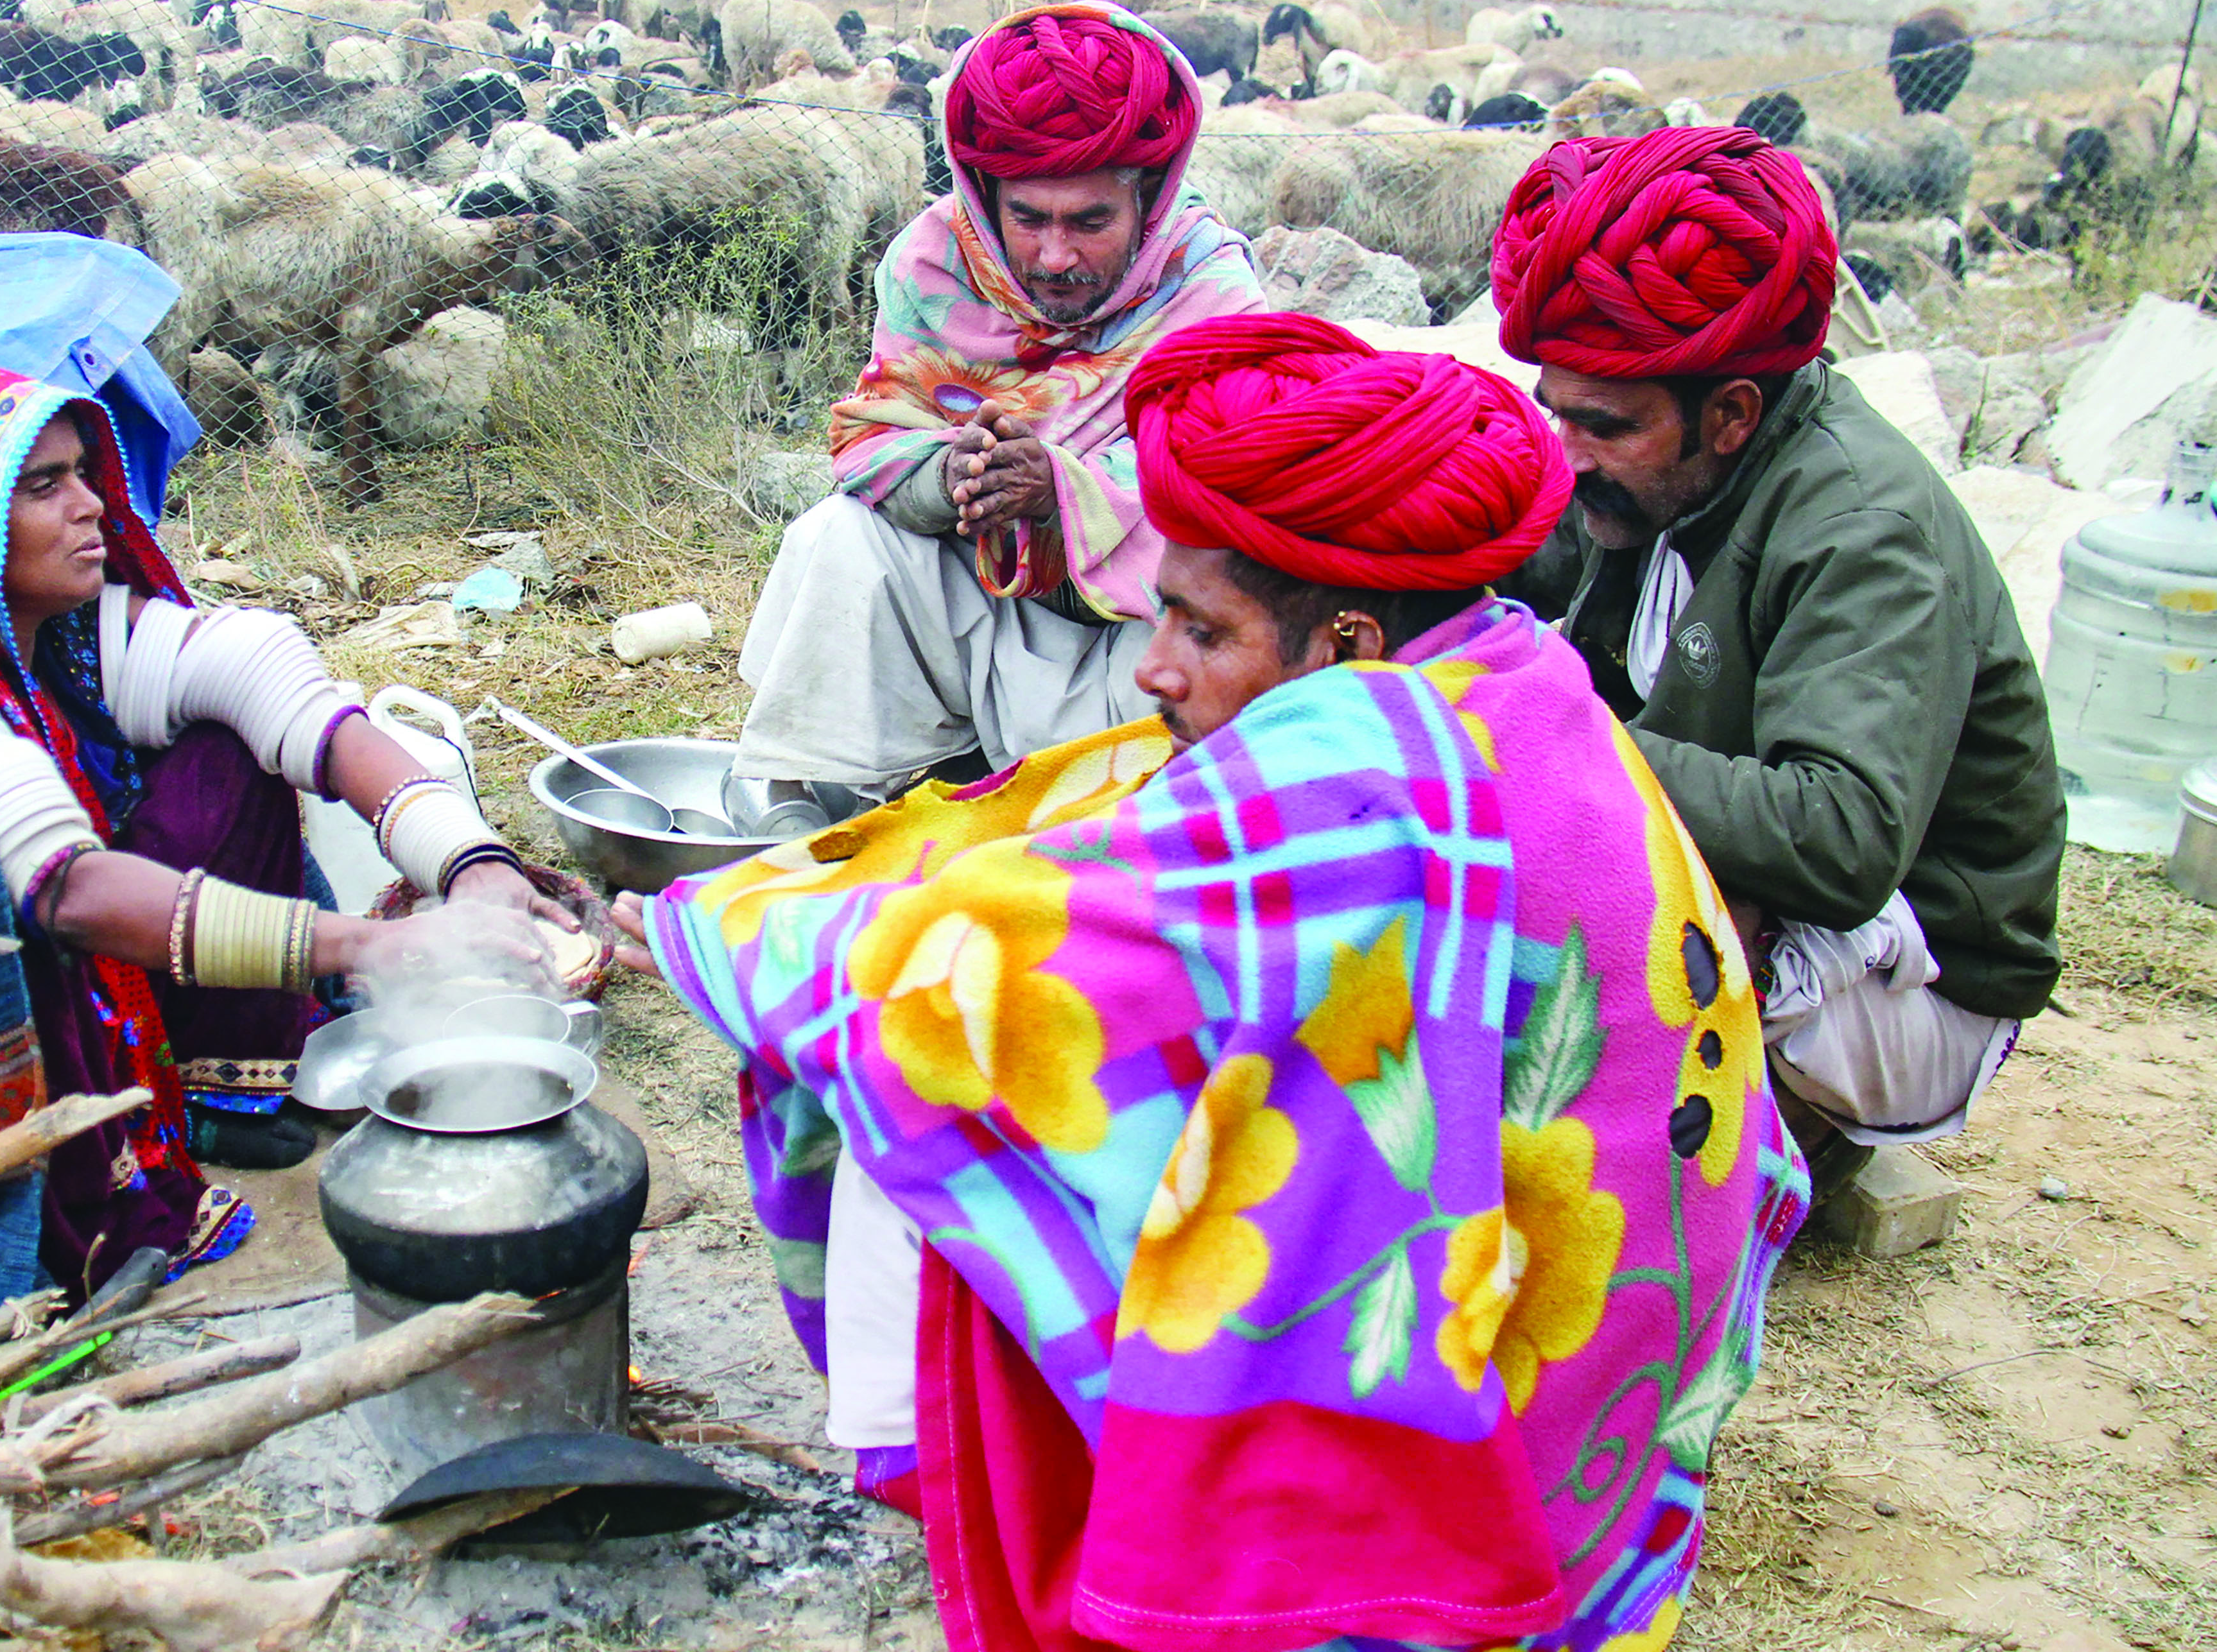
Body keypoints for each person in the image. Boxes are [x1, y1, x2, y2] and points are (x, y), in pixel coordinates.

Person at [612, 315, 1806, 1652]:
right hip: (1605, 1444)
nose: (1153, 663)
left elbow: (965, 975)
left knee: (929, 1085)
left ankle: (1007, 1539)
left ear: (1349, 635)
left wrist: (692, 927)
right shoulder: (1521, 674)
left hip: (1463, 1450)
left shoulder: (1358, 762)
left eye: (1198, 623)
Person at [0, 364, 565, 1322]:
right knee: (36, 926)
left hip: (77, 944)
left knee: (227, 756)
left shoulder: (54, 636)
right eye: (44, 486)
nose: (91, 505)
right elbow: (69, 891)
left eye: (84, 472)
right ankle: (87, 1176)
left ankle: (211, 1093)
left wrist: (471, 863)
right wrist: (368, 945)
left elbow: (276, 684)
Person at [1491, 124, 2062, 1203]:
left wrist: (1546, 725)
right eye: (1551, 411)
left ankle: (1770, 1124)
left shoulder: (1861, 526)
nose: (1565, 453)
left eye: (1601, 425)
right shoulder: (1651, 467)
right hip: (1751, 883)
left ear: (1733, 413)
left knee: (1532, 1152)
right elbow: (1518, 555)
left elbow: (1840, 833)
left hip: (1910, 973)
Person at [732, 1, 1264, 822]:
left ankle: (1117, 837)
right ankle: (838, 798)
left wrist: (1062, 490)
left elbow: (1224, 488)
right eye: (1028, 218)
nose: (1056, 256)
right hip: (977, 606)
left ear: (1149, 200)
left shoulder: (1210, 293)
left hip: (1126, 638)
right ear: (985, 197)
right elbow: (879, 433)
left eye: (1091, 221)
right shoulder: (935, 262)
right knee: (838, 537)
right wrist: (954, 476)